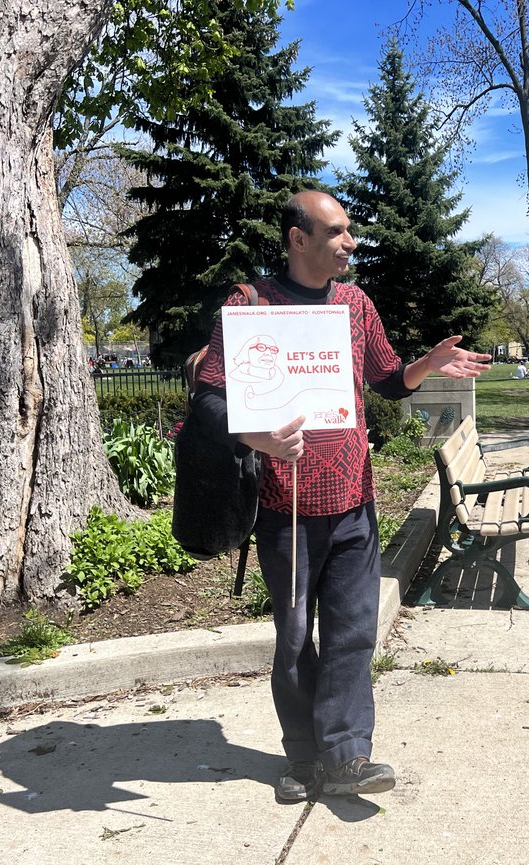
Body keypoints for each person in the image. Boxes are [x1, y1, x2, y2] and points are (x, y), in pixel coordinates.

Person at [193, 191, 491, 803]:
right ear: (298, 239)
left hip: (354, 499)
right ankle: (303, 759)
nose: (350, 242)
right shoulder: (249, 306)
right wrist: (257, 438)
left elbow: (386, 379)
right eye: (336, 231)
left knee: (354, 632)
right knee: (296, 636)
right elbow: (209, 398)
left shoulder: (355, 304)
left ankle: (349, 755)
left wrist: (426, 365)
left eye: (348, 230)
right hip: (286, 508)